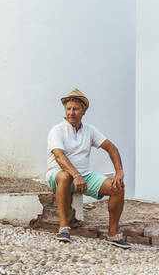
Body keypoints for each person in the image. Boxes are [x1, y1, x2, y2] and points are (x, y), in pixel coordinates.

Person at [46, 88, 130, 248]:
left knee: (117, 187)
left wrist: (119, 171)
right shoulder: (57, 130)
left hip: (84, 176)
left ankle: (112, 234)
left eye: (76, 109)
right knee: (65, 176)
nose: (71, 112)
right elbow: (59, 156)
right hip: (58, 175)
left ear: (84, 111)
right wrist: (75, 174)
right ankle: (64, 228)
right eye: (68, 108)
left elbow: (111, 148)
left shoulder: (90, 130)